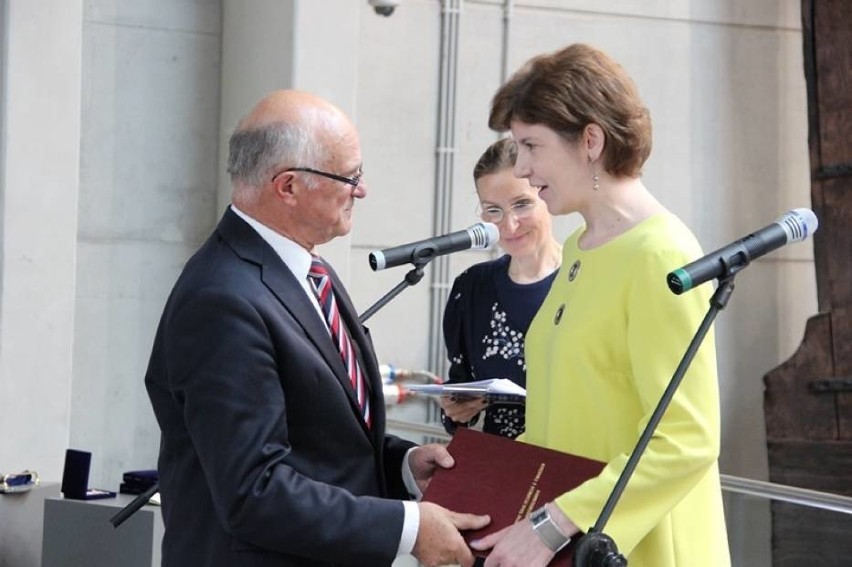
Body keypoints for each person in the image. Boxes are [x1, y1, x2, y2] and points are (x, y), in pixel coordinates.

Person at [144, 89, 489, 567]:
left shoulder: (303, 269)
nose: (362, 190)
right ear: (287, 187)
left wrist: (402, 466)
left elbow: (319, 444)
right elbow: (254, 490)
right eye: (351, 177)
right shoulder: (221, 299)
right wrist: (410, 527)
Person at [469, 44, 731, 566]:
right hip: (574, 537)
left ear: (590, 140)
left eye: (531, 146)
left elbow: (687, 436)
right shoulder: (579, 250)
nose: (522, 167)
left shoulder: (659, 254)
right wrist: (471, 478)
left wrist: (553, 523)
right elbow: (566, 410)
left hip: (639, 546)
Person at [439, 137, 562, 439]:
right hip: (501, 468)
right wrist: (458, 411)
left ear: (548, 196)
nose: (509, 226)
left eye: (522, 205)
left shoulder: (586, 277)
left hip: (578, 464)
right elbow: (461, 394)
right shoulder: (471, 288)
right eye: (493, 210)